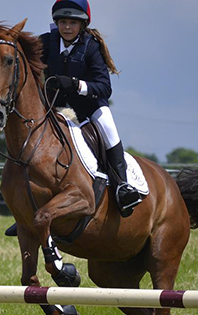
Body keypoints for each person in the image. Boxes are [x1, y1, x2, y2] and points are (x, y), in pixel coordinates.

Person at [42, 0, 141, 217]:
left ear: (82, 25)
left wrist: (77, 84)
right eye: (63, 22)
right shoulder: (46, 42)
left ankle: (123, 187)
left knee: (109, 131)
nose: (67, 27)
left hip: (89, 108)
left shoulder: (91, 46)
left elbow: (105, 88)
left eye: (72, 23)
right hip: (55, 108)